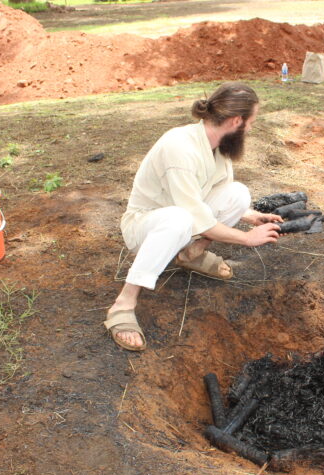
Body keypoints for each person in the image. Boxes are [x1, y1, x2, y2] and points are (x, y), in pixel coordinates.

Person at [104, 82, 282, 351]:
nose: (251, 129)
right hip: (147, 226)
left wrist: (250, 216)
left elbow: (213, 193)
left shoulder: (218, 145)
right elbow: (196, 216)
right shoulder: (180, 147)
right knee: (180, 220)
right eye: (251, 122)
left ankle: (192, 254)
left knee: (238, 193)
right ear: (236, 121)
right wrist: (247, 239)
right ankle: (124, 303)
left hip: (183, 217)